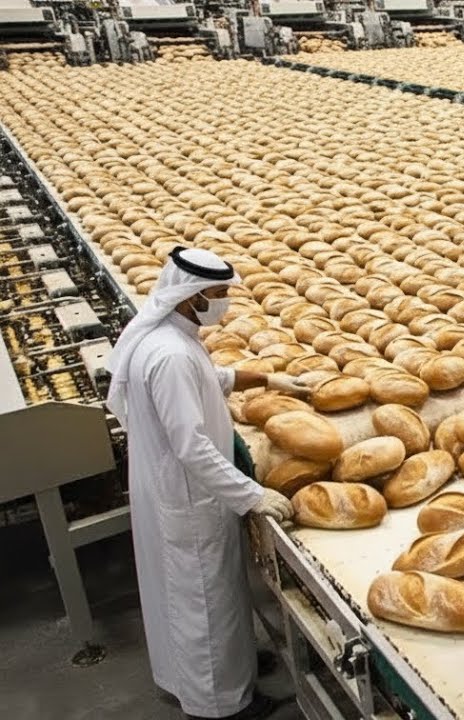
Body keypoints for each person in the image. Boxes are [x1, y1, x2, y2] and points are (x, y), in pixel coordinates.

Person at [106, 247, 308, 720]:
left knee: (199, 596)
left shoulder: (167, 336)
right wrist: (253, 495)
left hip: (175, 490)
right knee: (203, 598)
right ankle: (222, 703)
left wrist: (266, 379)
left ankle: (219, 670)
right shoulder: (171, 354)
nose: (224, 302)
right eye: (217, 294)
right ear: (188, 296)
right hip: (190, 496)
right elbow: (192, 446)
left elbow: (205, 379)